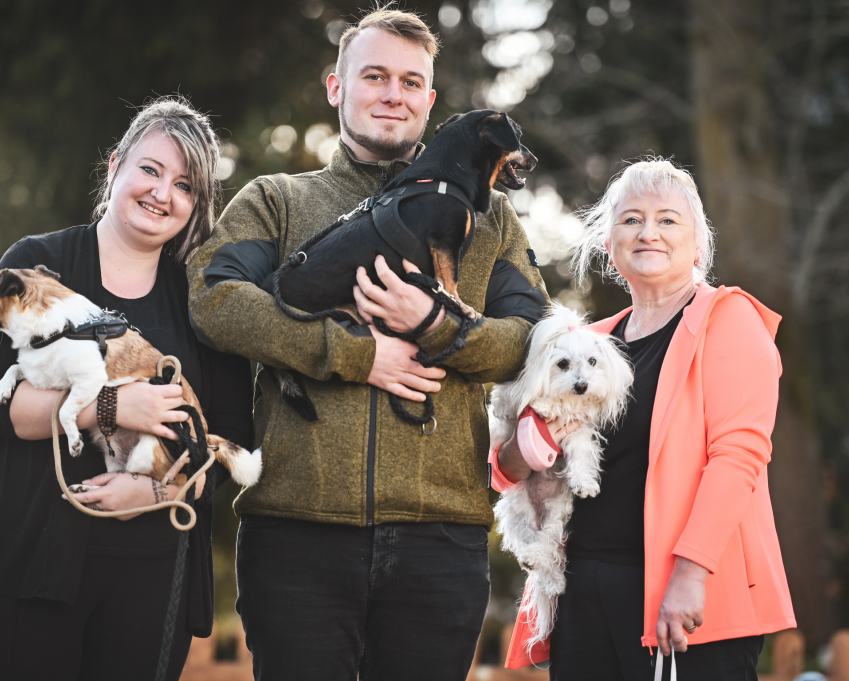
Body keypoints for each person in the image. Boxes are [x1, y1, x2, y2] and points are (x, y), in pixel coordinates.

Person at [186, 8, 547, 680]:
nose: (392, 94)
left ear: (430, 103)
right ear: (337, 87)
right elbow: (215, 300)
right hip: (297, 534)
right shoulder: (276, 200)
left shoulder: (492, 219)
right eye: (375, 76)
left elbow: (531, 342)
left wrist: (437, 326)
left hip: (441, 537)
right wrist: (353, 353)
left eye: (411, 82)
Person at [0, 96, 253, 681]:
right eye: (150, 169)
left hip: (149, 576)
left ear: (197, 205)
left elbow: (228, 436)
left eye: (185, 185)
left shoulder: (203, 299)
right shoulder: (35, 264)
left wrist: (155, 492)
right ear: (115, 165)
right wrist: (108, 405)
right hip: (17, 559)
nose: (162, 193)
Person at [492, 158, 796, 679]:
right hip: (582, 590)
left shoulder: (730, 320)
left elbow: (738, 458)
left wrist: (690, 574)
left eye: (667, 220)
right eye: (631, 219)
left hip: (682, 589)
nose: (648, 232)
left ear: (698, 244)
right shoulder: (586, 349)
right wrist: (524, 449)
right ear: (609, 244)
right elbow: (506, 471)